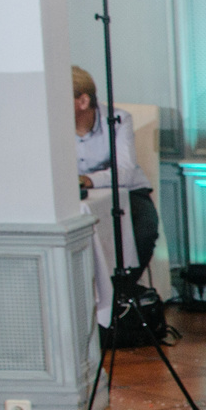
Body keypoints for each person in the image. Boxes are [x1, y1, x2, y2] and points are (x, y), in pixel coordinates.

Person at [73, 64, 159, 273]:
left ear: (83, 101)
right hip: (79, 195)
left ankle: (125, 292)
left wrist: (88, 180)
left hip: (128, 191)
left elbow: (126, 172)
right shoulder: (51, 126)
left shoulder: (119, 120)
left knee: (144, 230)